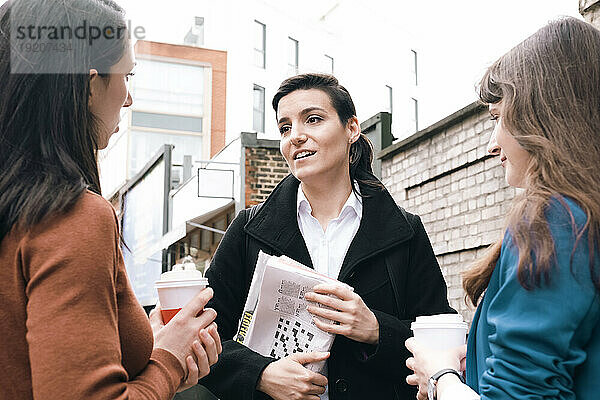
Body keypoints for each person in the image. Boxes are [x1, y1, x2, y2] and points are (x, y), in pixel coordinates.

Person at [0, 1, 221, 398]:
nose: (128, 98)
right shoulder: (72, 216)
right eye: (126, 75)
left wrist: (144, 340)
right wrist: (168, 361)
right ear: (88, 86)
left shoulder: (19, 207)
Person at [200, 73, 454, 400]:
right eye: (285, 127)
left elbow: (442, 342)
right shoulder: (249, 230)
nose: (295, 136)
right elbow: (203, 335)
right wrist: (259, 374)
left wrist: (377, 329)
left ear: (351, 129)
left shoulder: (404, 232)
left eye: (313, 120)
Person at [404, 17, 600, 400]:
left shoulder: (556, 220)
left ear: (543, 113)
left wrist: (440, 376)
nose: (492, 144)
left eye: (497, 118)